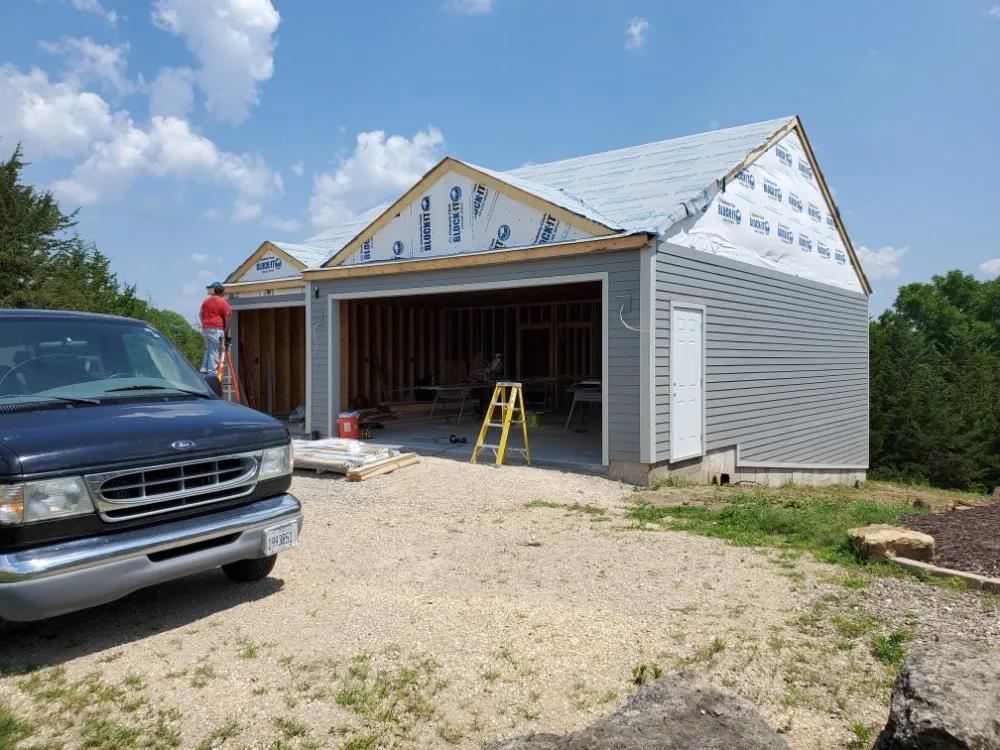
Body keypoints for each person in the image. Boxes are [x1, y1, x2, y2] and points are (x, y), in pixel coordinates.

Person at [199, 282, 232, 377]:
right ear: (222, 292)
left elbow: (200, 314)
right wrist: (226, 334)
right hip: (216, 328)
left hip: (206, 328)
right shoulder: (223, 302)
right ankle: (211, 372)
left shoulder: (206, 301)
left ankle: (204, 368)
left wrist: (204, 324)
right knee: (214, 351)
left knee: (208, 349)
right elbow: (227, 320)